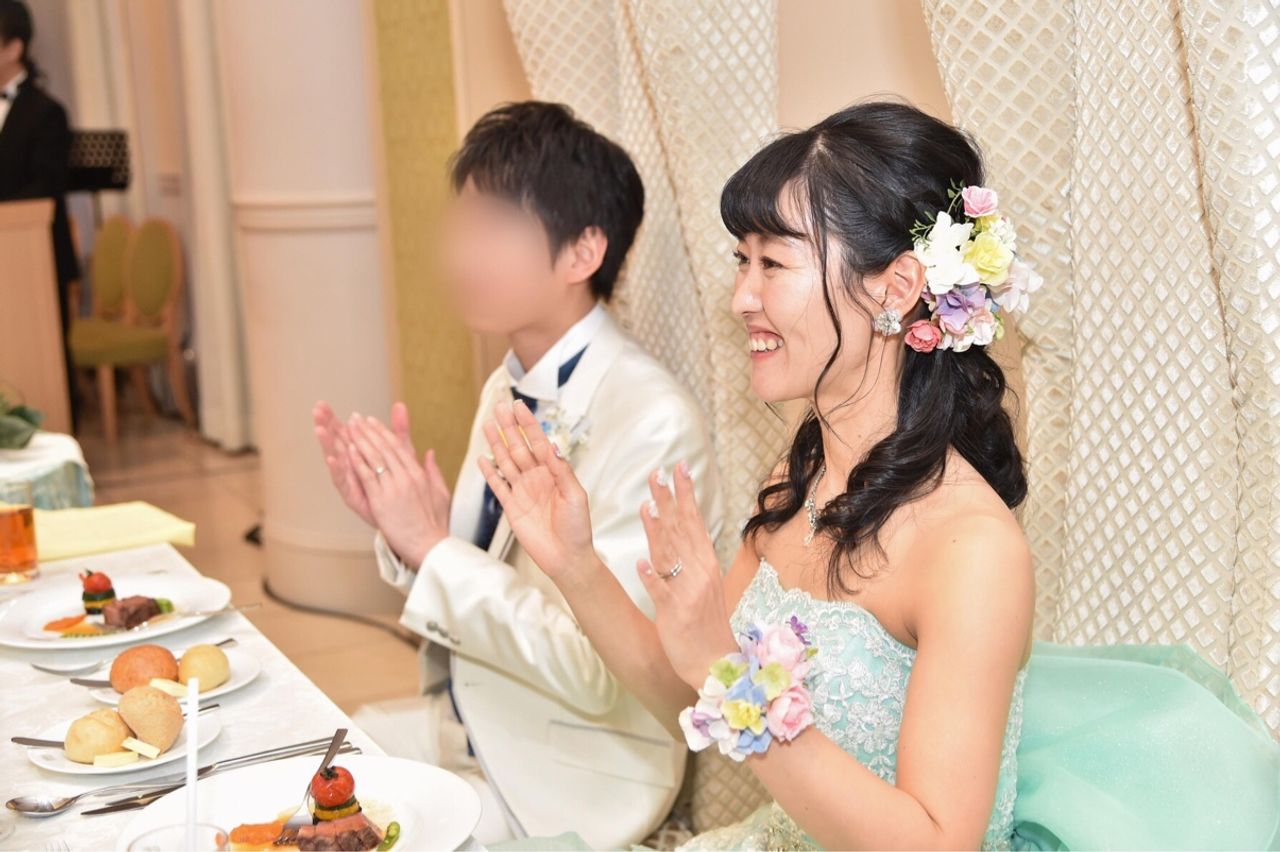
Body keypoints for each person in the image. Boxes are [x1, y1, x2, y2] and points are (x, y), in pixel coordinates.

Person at [477, 101, 1280, 850]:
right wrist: (576, 564)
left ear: (896, 287)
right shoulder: (797, 479)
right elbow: (697, 696)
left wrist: (730, 670)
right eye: (740, 260)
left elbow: (935, 839)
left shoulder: (970, 547)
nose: (741, 297)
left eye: (772, 263)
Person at [313, 101, 723, 849]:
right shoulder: (507, 386)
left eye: (494, 227)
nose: (460, 256)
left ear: (582, 251)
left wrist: (434, 547)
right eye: (463, 226)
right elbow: (479, 584)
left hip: (569, 778)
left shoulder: (653, 421)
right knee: (303, 775)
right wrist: (411, 535)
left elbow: (604, 671)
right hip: (473, 724)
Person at [0, 0, 80, 422]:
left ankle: (58, 430)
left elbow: (46, 185)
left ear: (14, 48)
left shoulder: (46, 112)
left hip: (37, 253)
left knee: (46, 355)